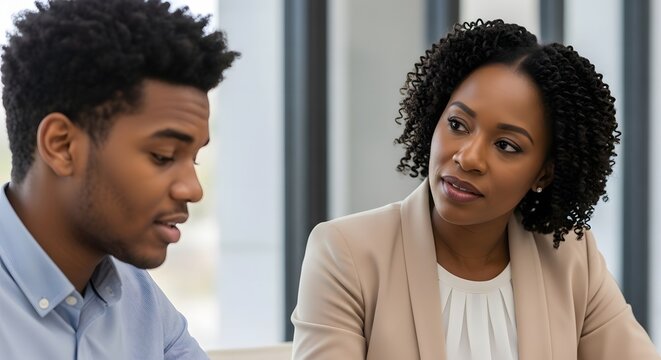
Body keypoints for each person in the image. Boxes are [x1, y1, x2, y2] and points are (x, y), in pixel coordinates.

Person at [291, 20, 660, 359]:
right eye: (457, 123)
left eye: (506, 146)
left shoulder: (572, 260)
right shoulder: (347, 255)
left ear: (544, 174)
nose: (468, 158)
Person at [0, 0, 237, 358]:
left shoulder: (139, 298)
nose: (193, 189)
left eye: (195, 159)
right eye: (163, 156)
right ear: (62, 145)